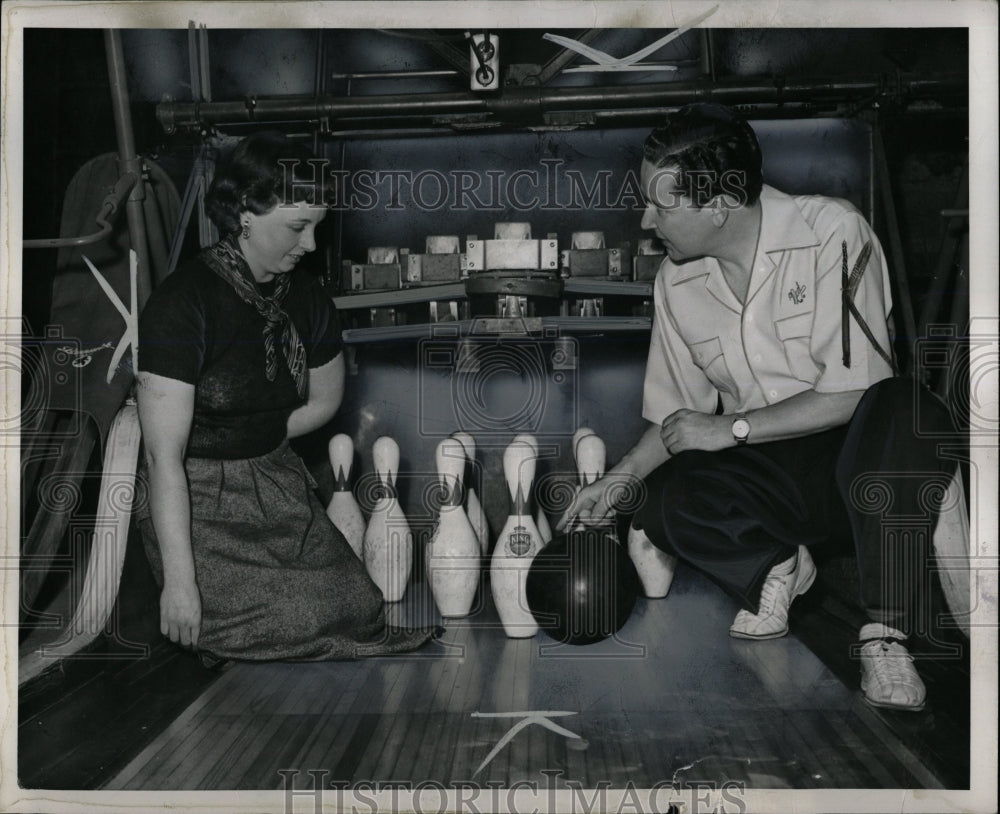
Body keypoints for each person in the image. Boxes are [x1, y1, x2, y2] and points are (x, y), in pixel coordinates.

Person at [560, 103, 956, 711]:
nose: (646, 219)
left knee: (904, 408)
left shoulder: (833, 232)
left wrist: (731, 427)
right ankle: (776, 565)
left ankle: (886, 635)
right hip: (771, 474)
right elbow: (675, 420)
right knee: (663, 498)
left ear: (719, 204)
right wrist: (617, 483)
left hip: (857, 456)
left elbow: (856, 391)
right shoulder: (676, 281)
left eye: (662, 206)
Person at [135, 132, 437, 663]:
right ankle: (216, 625)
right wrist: (180, 585)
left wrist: (259, 439)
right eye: (298, 227)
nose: (311, 245)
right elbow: (164, 459)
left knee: (359, 603)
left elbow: (324, 402)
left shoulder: (307, 296)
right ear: (246, 215)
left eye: (317, 228)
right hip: (195, 496)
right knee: (301, 613)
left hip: (272, 478)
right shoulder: (181, 303)